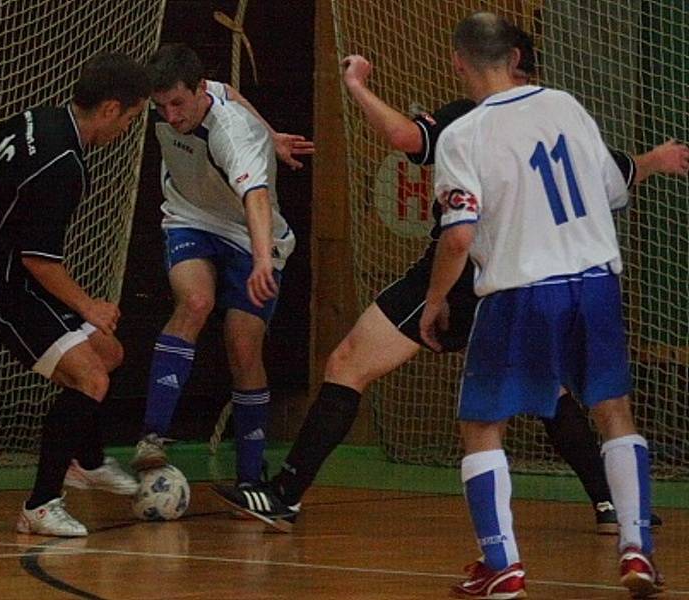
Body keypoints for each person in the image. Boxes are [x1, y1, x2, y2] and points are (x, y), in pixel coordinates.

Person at [211, 29, 689, 534]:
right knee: (550, 391)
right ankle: (613, 505)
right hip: (547, 280)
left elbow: (406, 143)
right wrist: (656, 161)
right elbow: (613, 173)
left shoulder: (471, 120)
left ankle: (285, 496)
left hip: (466, 276)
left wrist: (355, 85)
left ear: (465, 63)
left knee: (348, 363)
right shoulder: (561, 115)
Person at [418, 12, 666, 598]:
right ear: (517, 57)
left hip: (521, 291)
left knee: (481, 425)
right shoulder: (566, 105)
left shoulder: (463, 135)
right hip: (597, 282)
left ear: (458, 62)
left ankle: (502, 564)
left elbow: (457, 235)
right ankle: (637, 550)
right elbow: (611, 189)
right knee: (613, 411)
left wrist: (433, 301)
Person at [0, 53, 152, 537]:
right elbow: (38, 260)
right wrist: (90, 306)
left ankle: (86, 461)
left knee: (108, 354)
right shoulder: (65, 165)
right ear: (108, 109)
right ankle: (40, 505)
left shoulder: (38, 118)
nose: (127, 129)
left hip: (8, 269)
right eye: (129, 118)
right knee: (91, 379)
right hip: (2, 284)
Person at [128, 44, 304, 497]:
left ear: (198, 91)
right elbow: (231, 91)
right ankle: (152, 435)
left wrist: (264, 258)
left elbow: (257, 200)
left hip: (251, 235)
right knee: (196, 300)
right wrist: (274, 135)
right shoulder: (193, 100)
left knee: (243, 346)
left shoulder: (233, 135)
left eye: (178, 105)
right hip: (190, 216)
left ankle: (250, 477)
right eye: (161, 107)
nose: (170, 116)